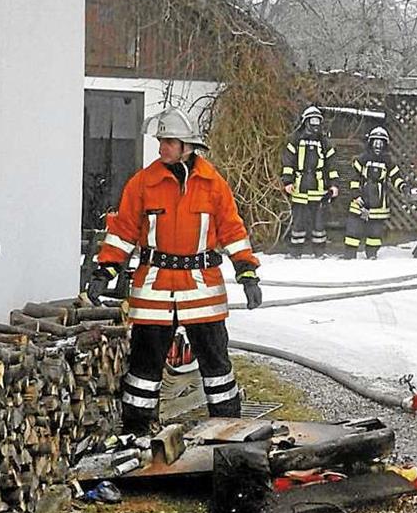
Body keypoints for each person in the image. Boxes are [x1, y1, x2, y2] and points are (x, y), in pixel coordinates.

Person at [86, 106, 262, 435]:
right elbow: (123, 231)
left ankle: (228, 430)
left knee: (217, 367)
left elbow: (232, 231)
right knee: (144, 369)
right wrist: (105, 270)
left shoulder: (213, 184)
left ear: (187, 146)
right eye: (160, 141)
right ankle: (136, 434)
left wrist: (247, 272)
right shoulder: (143, 183)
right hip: (154, 288)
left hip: (202, 289)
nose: (161, 148)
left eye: (168, 142)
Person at [281, 106, 340, 258]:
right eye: (312, 121)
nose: (315, 124)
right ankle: (295, 252)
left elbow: (332, 165)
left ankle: (319, 252)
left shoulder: (324, 142)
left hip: (319, 188)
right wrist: (287, 182)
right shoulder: (295, 140)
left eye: (317, 121)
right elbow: (288, 162)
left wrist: (334, 185)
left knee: (319, 223)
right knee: (298, 222)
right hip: (299, 187)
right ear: (305, 122)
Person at [343, 126, 410, 259]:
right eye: (375, 142)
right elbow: (354, 177)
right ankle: (349, 255)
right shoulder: (362, 159)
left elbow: (396, 177)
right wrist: (356, 195)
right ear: (370, 143)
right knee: (353, 229)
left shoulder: (388, 162)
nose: (378, 145)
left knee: (375, 232)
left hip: (379, 202)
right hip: (360, 199)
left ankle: (372, 254)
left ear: (385, 145)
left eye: (381, 142)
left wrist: (403, 187)